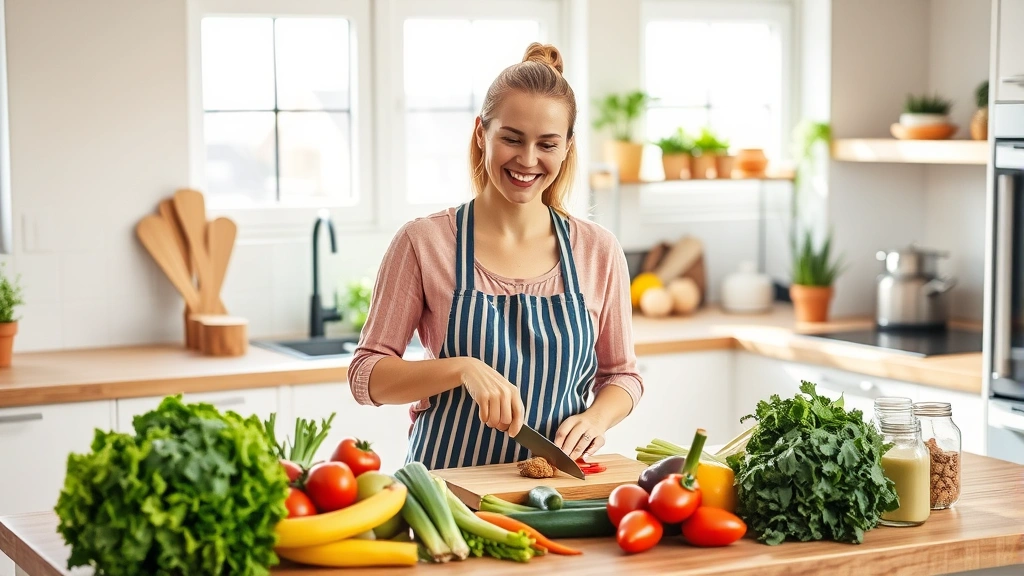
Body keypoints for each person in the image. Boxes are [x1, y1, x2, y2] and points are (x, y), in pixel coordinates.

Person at [348, 42, 642, 470]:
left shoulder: (598, 250)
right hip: (448, 500)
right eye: (511, 139)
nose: (527, 160)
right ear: (481, 133)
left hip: (554, 495)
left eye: (547, 144)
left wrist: (597, 418)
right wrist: (460, 369)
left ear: (567, 147)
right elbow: (365, 376)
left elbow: (623, 376)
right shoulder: (424, 242)